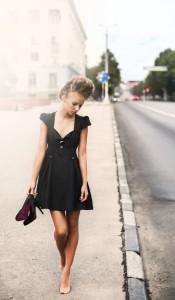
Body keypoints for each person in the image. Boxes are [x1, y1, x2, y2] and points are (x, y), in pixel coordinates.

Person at [27, 76, 95, 294]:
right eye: (74, 103)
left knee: (73, 226)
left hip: (74, 177)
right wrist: (32, 179)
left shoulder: (83, 122)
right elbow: (40, 151)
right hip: (51, 177)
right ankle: (63, 257)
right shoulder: (46, 119)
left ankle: (66, 271)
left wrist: (84, 183)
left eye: (80, 105)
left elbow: (82, 154)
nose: (76, 108)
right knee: (61, 230)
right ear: (63, 96)